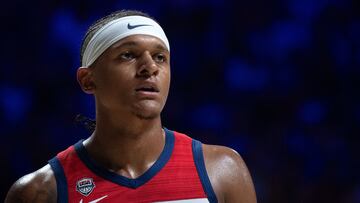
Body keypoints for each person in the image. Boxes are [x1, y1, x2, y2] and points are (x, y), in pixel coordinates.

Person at [5, 10, 257, 203]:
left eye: (160, 57)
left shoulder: (223, 170)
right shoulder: (40, 191)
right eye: (128, 55)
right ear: (88, 80)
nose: (150, 67)